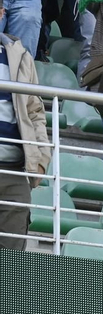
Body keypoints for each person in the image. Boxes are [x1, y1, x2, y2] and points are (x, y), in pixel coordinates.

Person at [0, 30, 46, 250]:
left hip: (15, 173)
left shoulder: (21, 54)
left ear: (1, 14)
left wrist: (41, 160)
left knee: (10, 263)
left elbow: (36, 111)